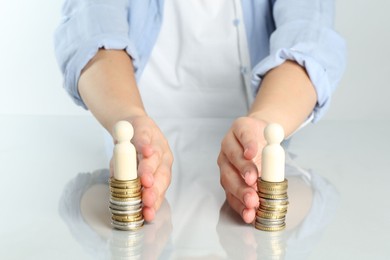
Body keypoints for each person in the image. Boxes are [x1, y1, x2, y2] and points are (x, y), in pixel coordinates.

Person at [54, 0, 346, 224]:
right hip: (144, 156)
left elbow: (310, 37)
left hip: (253, 159)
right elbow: (90, 26)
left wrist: (264, 123)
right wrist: (130, 118)